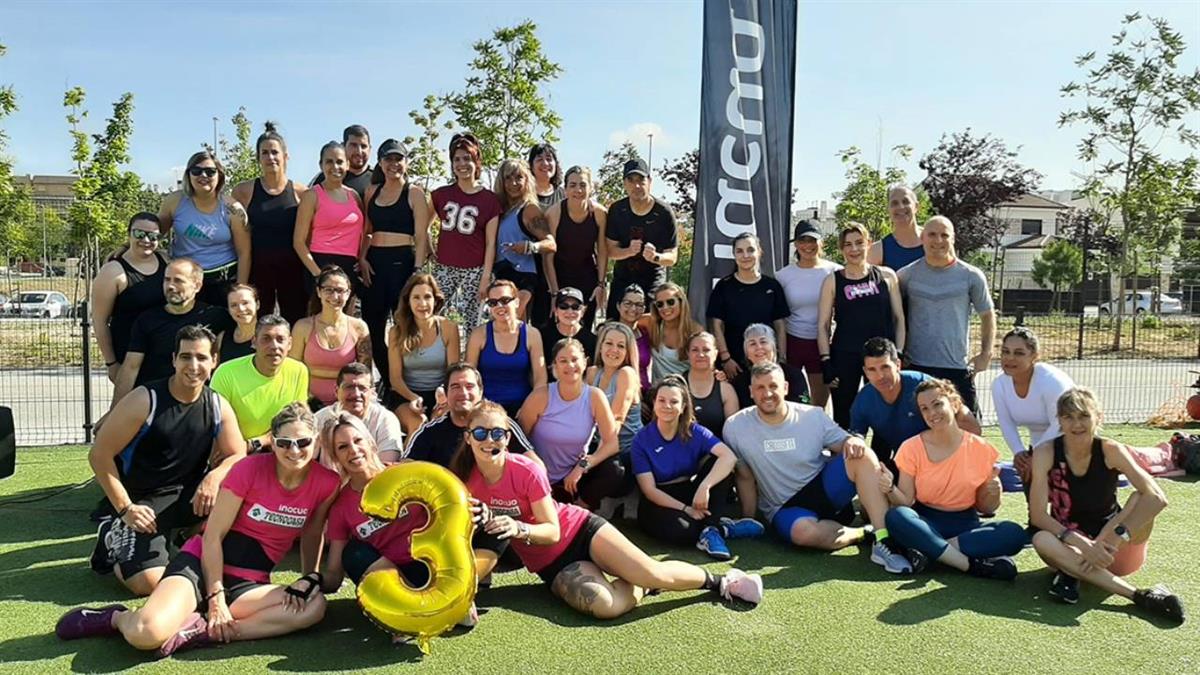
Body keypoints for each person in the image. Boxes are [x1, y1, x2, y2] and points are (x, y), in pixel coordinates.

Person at [57, 403, 340, 656]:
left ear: (315, 442)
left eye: (302, 442)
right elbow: (214, 535)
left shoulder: (326, 482)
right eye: (284, 442)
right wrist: (215, 597)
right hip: (201, 565)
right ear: (273, 443)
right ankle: (116, 618)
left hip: (250, 581)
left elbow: (314, 534)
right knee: (145, 634)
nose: (294, 451)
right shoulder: (248, 470)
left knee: (313, 606)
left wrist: (309, 579)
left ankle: (201, 631)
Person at [455, 401, 763, 619]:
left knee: (655, 572)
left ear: (507, 438)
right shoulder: (462, 481)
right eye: (480, 433)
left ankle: (721, 580)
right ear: (468, 438)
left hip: (579, 531)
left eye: (497, 433)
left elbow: (552, 530)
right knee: (605, 607)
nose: (489, 440)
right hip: (551, 565)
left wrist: (517, 528)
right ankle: (641, 586)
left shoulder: (526, 470)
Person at [87, 325, 244, 596]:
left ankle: (188, 537)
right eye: (186, 357)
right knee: (148, 584)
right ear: (173, 359)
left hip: (192, 498)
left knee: (238, 511)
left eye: (202, 357)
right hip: (143, 504)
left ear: (214, 361)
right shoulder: (144, 400)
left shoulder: (217, 404)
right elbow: (99, 455)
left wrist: (214, 476)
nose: (193, 365)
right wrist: (126, 509)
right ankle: (113, 535)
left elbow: (237, 453)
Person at [723, 363, 912, 574]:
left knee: (861, 452)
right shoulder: (735, 427)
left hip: (823, 487)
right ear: (750, 391)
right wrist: (749, 517)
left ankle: (883, 539)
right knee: (803, 534)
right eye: (759, 388)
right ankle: (862, 533)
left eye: (773, 386)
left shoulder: (812, 416)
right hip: (785, 506)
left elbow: (845, 442)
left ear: (785, 388)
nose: (767, 393)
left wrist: (853, 440)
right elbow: (744, 475)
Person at [1028, 387, 1183, 623]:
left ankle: (1070, 575)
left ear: (1098, 417)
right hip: (1071, 548)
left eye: (1084, 416)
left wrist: (1111, 539)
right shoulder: (1045, 452)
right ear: (1059, 420)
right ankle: (1140, 596)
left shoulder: (1111, 449)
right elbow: (1038, 516)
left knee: (1140, 497)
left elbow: (1157, 498)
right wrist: (1085, 545)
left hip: (1114, 552)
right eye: (1068, 417)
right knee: (1041, 538)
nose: (1076, 424)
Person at [880, 379, 1027, 579]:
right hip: (925, 522)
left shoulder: (981, 448)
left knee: (1014, 533)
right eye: (924, 409)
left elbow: (987, 508)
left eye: (937, 404)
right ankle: (970, 565)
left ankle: (931, 552)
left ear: (955, 404)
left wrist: (994, 492)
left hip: (966, 524)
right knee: (897, 516)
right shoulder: (911, 447)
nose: (932, 413)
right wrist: (890, 488)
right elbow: (906, 501)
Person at [633, 375, 763, 561]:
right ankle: (722, 527)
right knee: (684, 531)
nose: (667, 406)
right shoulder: (642, 439)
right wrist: (686, 509)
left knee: (720, 467)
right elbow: (649, 490)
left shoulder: (695, 430)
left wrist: (705, 486)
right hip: (658, 500)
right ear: (654, 402)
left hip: (688, 489)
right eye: (661, 400)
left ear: (683, 406)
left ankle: (711, 530)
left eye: (674, 401)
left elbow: (728, 457)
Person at [320, 413, 431, 596]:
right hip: (388, 579)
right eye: (342, 447)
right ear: (336, 457)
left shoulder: (407, 475)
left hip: (428, 563)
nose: (354, 450)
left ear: (370, 442)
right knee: (353, 553)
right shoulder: (341, 507)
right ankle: (414, 601)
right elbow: (334, 574)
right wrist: (310, 582)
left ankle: (440, 601)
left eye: (358, 440)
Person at [897, 216, 994, 415]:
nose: (938, 240)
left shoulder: (971, 276)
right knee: (916, 428)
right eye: (932, 234)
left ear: (953, 239)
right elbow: (895, 315)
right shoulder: (906, 275)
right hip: (916, 366)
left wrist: (985, 354)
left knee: (969, 428)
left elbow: (987, 315)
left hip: (956, 366)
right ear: (922, 237)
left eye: (944, 235)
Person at [359, 139, 430, 405]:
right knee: (373, 327)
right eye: (388, 159)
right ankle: (388, 384)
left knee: (404, 327)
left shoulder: (414, 193)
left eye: (399, 159)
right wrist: (362, 257)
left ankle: (407, 384)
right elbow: (366, 230)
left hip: (403, 265)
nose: (394, 164)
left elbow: (421, 236)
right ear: (380, 163)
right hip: (375, 265)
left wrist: (418, 272)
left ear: (406, 162)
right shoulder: (371, 192)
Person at [111, 258, 232, 408]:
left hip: (197, 404)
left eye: (178, 281)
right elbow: (130, 367)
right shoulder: (147, 320)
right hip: (153, 403)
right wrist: (114, 411)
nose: (171, 286)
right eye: (167, 280)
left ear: (197, 285)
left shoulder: (216, 316)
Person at [818, 222, 906, 427]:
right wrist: (826, 360)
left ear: (868, 244)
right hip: (845, 355)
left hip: (881, 356)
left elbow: (899, 318)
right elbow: (822, 325)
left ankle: (883, 459)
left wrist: (898, 352)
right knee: (843, 414)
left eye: (859, 243)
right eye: (848, 244)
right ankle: (844, 457)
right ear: (842, 249)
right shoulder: (832, 281)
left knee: (884, 412)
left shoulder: (886, 276)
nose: (854, 249)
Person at [519, 338, 624, 510]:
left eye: (575, 360)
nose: (570, 365)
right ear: (554, 366)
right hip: (538, 474)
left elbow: (612, 443)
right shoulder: (540, 396)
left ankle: (580, 508)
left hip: (573, 477)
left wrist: (582, 466)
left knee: (615, 470)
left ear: (585, 363)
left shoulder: (595, 397)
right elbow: (519, 440)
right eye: (563, 361)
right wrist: (536, 468)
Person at [849, 337, 980, 474]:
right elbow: (857, 433)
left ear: (898, 365)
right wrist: (855, 440)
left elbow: (970, 424)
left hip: (939, 456)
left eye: (885, 367)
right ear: (865, 372)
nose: (880, 375)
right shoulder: (864, 400)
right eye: (872, 369)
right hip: (905, 462)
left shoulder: (922, 384)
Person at [231, 122, 309, 324]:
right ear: (258, 158)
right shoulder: (244, 191)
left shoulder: (302, 193)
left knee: (295, 323)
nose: (270, 157)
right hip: (258, 271)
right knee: (257, 326)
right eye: (264, 153)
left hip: (293, 272)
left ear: (285, 156)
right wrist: (241, 285)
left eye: (274, 152)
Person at [159, 151, 251, 307]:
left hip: (223, 282)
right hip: (184, 281)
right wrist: (126, 247)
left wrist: (239, 290)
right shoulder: (174, 201)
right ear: (188, 175)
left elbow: (245, 253)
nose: (203, 175)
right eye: (196, 171)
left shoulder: (233, 209)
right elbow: (153, 234)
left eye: (210, 171)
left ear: (219, 175)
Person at [404, 363, 537, 467]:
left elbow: (535, 465)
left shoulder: (501, 425)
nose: (463, 393)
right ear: (446, 393)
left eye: (469, 386)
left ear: (480, 391)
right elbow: (404, 467)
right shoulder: (430, 432)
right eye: (455, 387)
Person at [431, 133, 501, 328]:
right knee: (434, 316)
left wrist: (486, 276)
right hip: (445, 266)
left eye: (467, 158)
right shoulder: (441, 195)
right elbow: (424, 226)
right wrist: (430, 248)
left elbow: (490, 242)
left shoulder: (489, 200)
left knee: (474, 322)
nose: (462, 164)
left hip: (475, 269)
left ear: (476, 161)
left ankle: (472, 359)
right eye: (457, 159)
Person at [992, 327, 1075, 485]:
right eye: (1005, 351)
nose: (1009, 358)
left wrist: (1036, 456)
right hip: (1038, 446)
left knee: (1067, 505)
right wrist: (1019, 453)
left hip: (1072, 442)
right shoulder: (999, 384)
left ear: (1034, 356)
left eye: (1019, 353)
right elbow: (1005, 422)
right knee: (1032, 485)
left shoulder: (1051, 381)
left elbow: (1060, 424)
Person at [92, 212, 168, 383]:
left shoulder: (166, 261)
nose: (146, 240)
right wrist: (111, 363)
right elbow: (99, 321)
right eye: (139, 234)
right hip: (129, 358)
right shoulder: (113, 272)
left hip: (163, 356)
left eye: (153, 236)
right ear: (129, 234)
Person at [210, 315, 309, 442]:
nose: (274, 346)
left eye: (280, 339)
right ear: (254, 342)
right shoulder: (226, 373)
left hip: (283, 448)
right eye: (266, 339)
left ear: (289, 344)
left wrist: (260, 442)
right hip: (237, 450)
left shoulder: (299, 370)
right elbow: (216, 424)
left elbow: (297, 420)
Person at [775, 220, 841, 408]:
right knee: (792, 402)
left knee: (818, 406)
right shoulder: (783, 275)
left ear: (821, 243)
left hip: (822, 345)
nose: (808, 246)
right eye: (802, 240)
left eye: (812, 240)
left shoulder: (835, 271)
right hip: (792, 342)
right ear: (795, 244)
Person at [708, 232, 789, 383]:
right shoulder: (723, 287)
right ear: (734, 254)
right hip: (734, 367)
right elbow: (716, 326)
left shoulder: (772, 286)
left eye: (750, 250)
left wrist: (781, 359)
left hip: (767, 365)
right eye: (739, 251)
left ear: (759, 251)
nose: (745, 255)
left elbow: (780, 325)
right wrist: (726, 359)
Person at [604, 159, 678, 319]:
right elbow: (610, 250)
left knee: (650, 332)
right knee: (612, 327)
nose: (636, 186)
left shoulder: (664, 212)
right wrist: (628, 251)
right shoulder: (617, 210)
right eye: (631, 180)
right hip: (623, 278)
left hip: (652, 280)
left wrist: (656, 257)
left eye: (641, 180)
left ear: (649, 182)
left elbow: (672, 257)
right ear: (624, 183)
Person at [388, 273, 460, 435]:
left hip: (441, 394)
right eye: (416, 298)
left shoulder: (449, 328)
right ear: (408, 301)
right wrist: (413, 397)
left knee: (438, 425)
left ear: (435, 300)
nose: (422, 303)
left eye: (427, 297)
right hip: (406, 395)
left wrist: (444, 393)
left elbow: (453, 372)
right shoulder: (396, 332)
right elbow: (395, 379)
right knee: (419, 425)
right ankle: (406, 460)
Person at [290, 266, 371, 407]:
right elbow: (292, 371)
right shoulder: (302, 327)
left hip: (348, 402)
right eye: (328, 290)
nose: (335, 297)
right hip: (307, 403)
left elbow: (365, 373)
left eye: (340, 291)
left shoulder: (359, 328)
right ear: (318, 292)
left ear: (348, 293)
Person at [466, 280, 547, 417]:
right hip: (486, 407)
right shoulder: (479, 335)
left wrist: (531, 407)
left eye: (505, 300)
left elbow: (540, 378)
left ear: (516, 302)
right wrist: (478, 407)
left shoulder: (532, 335)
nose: (499, 306)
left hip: (523, 407)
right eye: (493, 303)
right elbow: (469, 375)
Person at [294, 142, 366, 295]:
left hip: (349, 269)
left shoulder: (354, 196)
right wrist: (318, 275)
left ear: (347, 164)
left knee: (346, 318)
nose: (335, 166)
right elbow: (299, 242)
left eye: (339, 161)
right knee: (319, 319)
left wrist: (361, 258)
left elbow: (364, 231)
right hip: (320, 265)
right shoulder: (312, 195)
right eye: (329, 161)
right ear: (321, 165)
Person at [493, 158, 556, 320]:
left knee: (512, 325)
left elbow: (551, 244)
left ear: (527, 179)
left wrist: (529, 247)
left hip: (522, 275)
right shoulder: (499, 209)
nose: (514, 183)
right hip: (500, 274)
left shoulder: (529, 209)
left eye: (519, 177)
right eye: (508, 178)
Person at [547, 165, 607, 330]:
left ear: (591, 188)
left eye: (583, 185)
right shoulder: (554, 213)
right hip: (560, 277)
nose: (578, 190)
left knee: (583, 329)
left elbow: (602, 251)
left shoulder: (600, 213)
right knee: (559, 329)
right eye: (572, 185)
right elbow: (548, 256)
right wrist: (554, 291)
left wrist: (601, 285)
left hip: (588, 277)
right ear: (565, 189)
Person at [314, 363, 404, 463]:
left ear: (372, 393)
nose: (356, 394)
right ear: (336, 391)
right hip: (330, 478)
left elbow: (387, 464)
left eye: (362, 388)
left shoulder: (385, 419)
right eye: (349, 387)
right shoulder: (319, 419)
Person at [586, 322, 643, 457]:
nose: (614, 350)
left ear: (627, 352)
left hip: (626, 449)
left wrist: (590, 461)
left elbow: (616, 421)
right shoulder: (592, 373)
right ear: (600, 347)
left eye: (621, 346)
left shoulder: (626, 374)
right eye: (609, 343)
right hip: (598, 443)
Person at [528, 144, 567, 325]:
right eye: (539, 159)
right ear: (531, 165)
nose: (545, 163)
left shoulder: (564, 195)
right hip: (527, 265)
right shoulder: (524, 193)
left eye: (549, 159)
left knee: (550, 319)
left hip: (557, 267)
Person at [731, 323, 810, 410]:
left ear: (774, 347)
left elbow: (803, 408)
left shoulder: (794, 375)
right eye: (752, 344)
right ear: (747, 354)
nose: (759, 347)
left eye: (763, 342)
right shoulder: (739, 382)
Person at [684, 331, 738, 438]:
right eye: (695, 350)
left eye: (706, 350)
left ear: (716, 353)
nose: (701, 355)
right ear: (687, 353)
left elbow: (733, 432)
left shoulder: (726, 390)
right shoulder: (677, 385)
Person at [647, 282, 703, 383]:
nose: (665, 307)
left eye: (671, 302)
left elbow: (705, 363)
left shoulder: (695, 330)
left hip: (687, 390)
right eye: (660, 304)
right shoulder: (651, 324)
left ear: (681, 302)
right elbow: (628, 322)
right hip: (658, 392)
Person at [540, 288, 597, 381]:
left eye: (575, 307)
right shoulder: (542, 336)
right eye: (563, 306)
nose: (570, 311)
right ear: (555, 310)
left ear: (583, 311)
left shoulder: (592, 340)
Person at [867, 184, 925, 270]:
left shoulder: (935, 240)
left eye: (906, 201)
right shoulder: (877, 251)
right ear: (888, 209)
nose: (900, 207)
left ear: (916, 206)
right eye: (894, 203)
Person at [311, 124, 374, 198]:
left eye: (363, 146)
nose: (359, 151)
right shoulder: (326, 176)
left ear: (370, 149)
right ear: (343, 146)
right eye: (353, 145)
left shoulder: (379, 177)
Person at [614, 284, 654, 392]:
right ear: (618, 306)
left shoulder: (645, 333)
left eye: (639, 305)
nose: (633, 309)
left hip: (645, 393)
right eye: (628, 303)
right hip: (619, 393)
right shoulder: (609, 334)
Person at [216, 284, 258, 364]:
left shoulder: (269, 335)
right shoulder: (222, 338)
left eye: (245, 303)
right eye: (234, 305)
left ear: (258, 304)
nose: (241, 309)